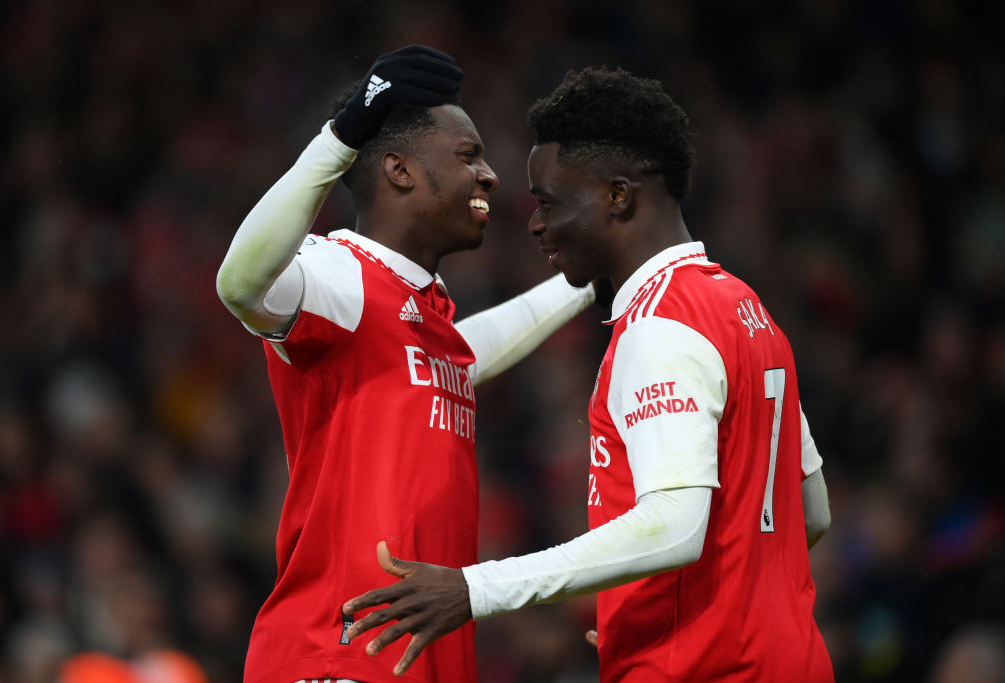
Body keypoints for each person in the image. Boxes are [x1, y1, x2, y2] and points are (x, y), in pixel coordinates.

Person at [342, 66, 835, 682]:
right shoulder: (746, 310)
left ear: (618, 196)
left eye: (549, 201)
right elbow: (807, 513)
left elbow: (676, 527)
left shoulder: (660, 328)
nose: (534, 223)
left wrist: (476, 588)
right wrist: (664, 605)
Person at [215, 46, 595, 683]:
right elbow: (239, 284)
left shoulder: (422, 313)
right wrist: (342, 134)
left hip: (415, 662)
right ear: (398, 170)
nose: (490, 175)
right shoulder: (341, 273)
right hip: (337, 656)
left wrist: (588, 279)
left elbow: (466, 355)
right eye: (467, 155)